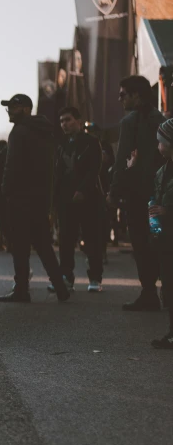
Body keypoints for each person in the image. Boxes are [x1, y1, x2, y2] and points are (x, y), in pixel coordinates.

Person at [0, 94, 69, 303]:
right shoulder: (45, 131)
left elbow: (12, 166)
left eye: (14, 107)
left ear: (26, 109)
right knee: (44, 246)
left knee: (20, 248)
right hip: (39, 199)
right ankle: (61, 288)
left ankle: (21, 290)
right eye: (8, 107)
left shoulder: (19, 132)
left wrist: (5, 191)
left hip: (20, 199)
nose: (10, 110)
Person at [108, 76, 167, 311]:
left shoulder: (129, 121)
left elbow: (122, 158)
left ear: (136, 95)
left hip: (136, 193)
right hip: (159, 193)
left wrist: (113, 191)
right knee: (159, 241)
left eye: (123, 94)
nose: (120, 98)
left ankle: (149, 293)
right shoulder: (160, 120)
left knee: (141, 244)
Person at [50, 107, 104, 293]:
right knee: (66, 240)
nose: (64, 124)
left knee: (91, 239)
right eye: (62, 121)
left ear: (78, 121)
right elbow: (56, 173)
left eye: (68, 120)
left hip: (89, 198)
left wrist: (83, 190)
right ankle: (66, 277)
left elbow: (94, 169)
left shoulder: (91, 141)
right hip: (65, 199)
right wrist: (54, 201)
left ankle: (95, 277)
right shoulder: (61, 144)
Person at [151, 119, 173, 349]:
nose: (158, 145)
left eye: (161, 141)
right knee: (168, 284)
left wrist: (168, 210)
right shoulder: (162, 170)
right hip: (165, 236)